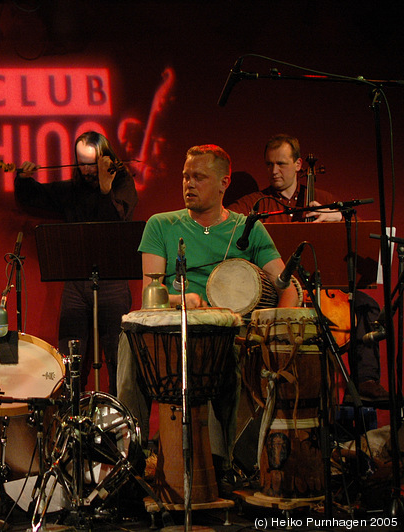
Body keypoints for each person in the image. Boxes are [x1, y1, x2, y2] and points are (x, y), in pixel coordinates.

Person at [118, 144, 298, 472]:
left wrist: (275, 329)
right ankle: (132, 457)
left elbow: (286, 284)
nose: (188, 183)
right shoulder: (161, 225)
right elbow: (149, 294)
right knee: (130, 339)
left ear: (223, 183)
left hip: (229, 331)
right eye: (186, 176)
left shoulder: (248, 228)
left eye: (199, 177)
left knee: (237, 351)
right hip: (174, 326)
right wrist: (182, 299)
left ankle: (230, 463)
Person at [227, 134, 387, 402]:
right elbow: (227, 219)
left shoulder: (322, 198)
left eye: (281, 164)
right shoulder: (256, 203)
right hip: (279, 293)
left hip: (321, 289)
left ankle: (365, 381)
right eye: (269, 165)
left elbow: (358, 230)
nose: (274, 171)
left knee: (366, 305)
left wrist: (338, 216)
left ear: (299, 164)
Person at [14, 131, 137, 395]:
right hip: (76, 283)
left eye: (91, 163)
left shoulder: (122, 183)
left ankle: (119, 420)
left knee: (117, 357)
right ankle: (71, 417)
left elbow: (118, 221)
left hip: (113, 283)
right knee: (70, 353)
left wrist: (106, 188)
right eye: (81, 163)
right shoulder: (73, 190)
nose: (86, 169)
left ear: (105, 158)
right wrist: (23, 180)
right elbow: (37, 195)